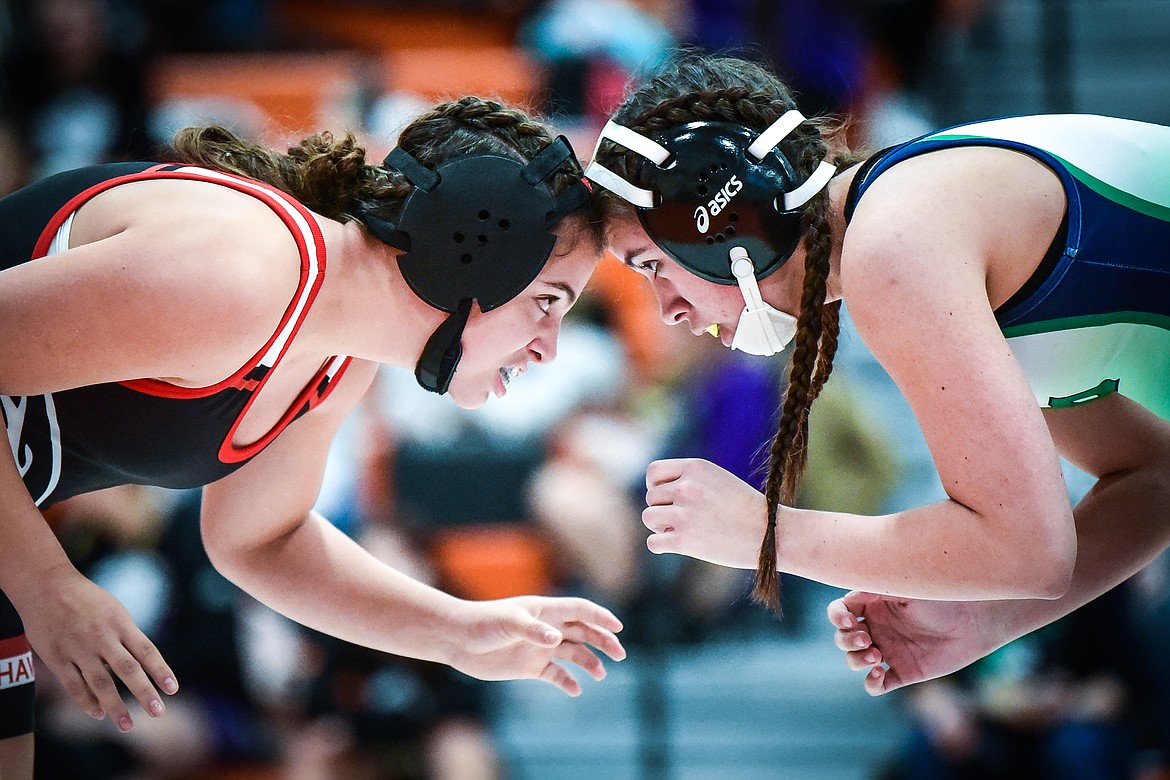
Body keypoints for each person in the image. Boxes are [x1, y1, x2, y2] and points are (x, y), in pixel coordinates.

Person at [0, 95, 627, 777]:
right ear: (470, 256)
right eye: (546, 302)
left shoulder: (342, 349)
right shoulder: (241, 272)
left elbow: (258, 540)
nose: (549, 349)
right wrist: (46, 583)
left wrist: (456, 633)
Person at [584, 50, 1170, 696]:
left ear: (718, 225)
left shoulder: (894, 244)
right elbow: (1151, 478)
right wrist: (990, 619)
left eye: (650, 266)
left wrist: (766, 532)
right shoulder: (906, 211)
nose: (665, 310)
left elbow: (1030, 548)